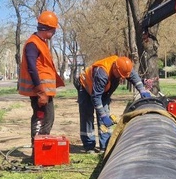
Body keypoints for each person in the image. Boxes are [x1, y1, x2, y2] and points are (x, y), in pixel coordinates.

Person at [76, 55, 150, 152]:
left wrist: (142, 90)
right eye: (119, 75)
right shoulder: (102, 73)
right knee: (87, 116)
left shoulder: (123, 66)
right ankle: (89, 145)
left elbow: (134, 77)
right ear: (115, 68)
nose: (121, 78)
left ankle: (105, 146)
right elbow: (96, 97)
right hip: (86, 87)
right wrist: (103, 115)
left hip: (102, 91)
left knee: (105, 113)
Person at [18, 10, 65, 146]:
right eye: (54, 30)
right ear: (47, 29)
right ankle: (38, 149)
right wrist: (40, 92)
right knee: (42, 118)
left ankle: (41, 148)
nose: (54, 33)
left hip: (44, 92)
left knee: (47, 118)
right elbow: (32, 69)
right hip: (39, 92)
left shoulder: (41, 43)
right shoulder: (33, 44)